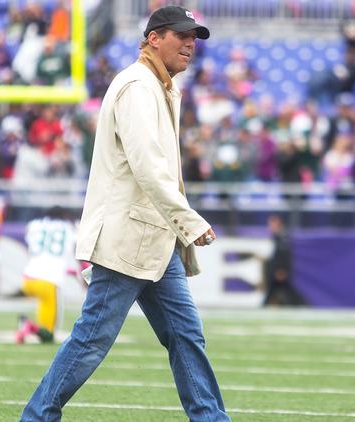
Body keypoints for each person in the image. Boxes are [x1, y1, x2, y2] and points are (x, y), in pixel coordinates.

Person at [21, 7, 230, 421]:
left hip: (155, 237)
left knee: (186, 336)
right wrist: (189, 221)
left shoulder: (160, 86)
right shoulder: (138, 86)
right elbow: (148, 168)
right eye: (182, 35)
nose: (191, 44)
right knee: (92, 340)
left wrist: (177, 226)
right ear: (154, 38)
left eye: (195, 37)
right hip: (129, 238)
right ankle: (37, 417)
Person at [15, 207, 80, 344]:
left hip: (28, 279)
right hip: (49, 282)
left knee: (44, 326)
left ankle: (29, 326)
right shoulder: (69, 228)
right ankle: (29, 326)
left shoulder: (35, 225)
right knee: (50, 335)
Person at [262, 215, 303, 306]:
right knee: (275, 291)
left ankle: (298, 305)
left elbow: (285, 256)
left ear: (278, 224)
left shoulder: (283, 237)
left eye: (272, 224)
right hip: (276, 271)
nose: (270, 227)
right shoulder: (276, 237)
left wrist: (282, 270)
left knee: (284, 292)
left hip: (280, 271)